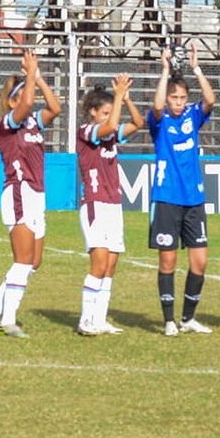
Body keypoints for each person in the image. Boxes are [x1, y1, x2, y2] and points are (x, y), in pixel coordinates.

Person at [0, 50, 61, 338]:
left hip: (37, 194)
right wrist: (30, 78)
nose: (29, 101)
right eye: (21, 97)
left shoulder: (33, 122)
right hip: (19, 190)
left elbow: (55, 107)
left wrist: (37, 78)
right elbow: (27, 102)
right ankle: (7, 320)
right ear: (12, 102)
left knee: (34, 261)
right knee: (23, 260)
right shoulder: (7, 124)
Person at [149, 43, 216, 337]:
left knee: (200, 262)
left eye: (181, 98)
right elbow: (156, 107)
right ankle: (168, 320)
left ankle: (188, 318)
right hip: (166, 198)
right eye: (174, 98)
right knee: (168, 260)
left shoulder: (192, 116)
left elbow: (210, 100)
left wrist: (197, 68)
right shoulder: (160, 121)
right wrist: (165, 71)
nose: (177, 102)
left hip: (194, 200)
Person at [75, 74, 144, 336]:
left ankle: (99, 319)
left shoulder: (111, 137)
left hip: (113, 204)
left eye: (108, 112)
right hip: (94, 204)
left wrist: (126, 99)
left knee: (111, 266)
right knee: (99, 264)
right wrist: (117, 101)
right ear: (93, 112)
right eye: (103, 112)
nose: (108, 116)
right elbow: (111, 125)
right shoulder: (87, 132)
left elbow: (137, 123)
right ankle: (85, 320)